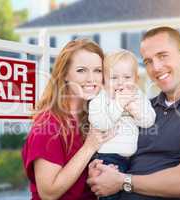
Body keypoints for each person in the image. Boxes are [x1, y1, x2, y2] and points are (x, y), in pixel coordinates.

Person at [87, 26, 180, 200]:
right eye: (148, 61)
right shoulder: (147, 107)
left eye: (163, 56)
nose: (156, 67)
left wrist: (122, 181)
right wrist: (98, 168)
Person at [22, 38, 114, 200]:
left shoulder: (93, 117)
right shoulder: (48, 124)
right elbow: (48, 193)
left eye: (98, 71)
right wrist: (89, 147)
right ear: (64, 74)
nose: (91, 79)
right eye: (81, 70)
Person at [88, 50, 156, 200]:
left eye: (127, 77)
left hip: (133, 159)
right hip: (108, 157)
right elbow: (100, 123)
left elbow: (149, 121)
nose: (120, 82)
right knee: (110, 194)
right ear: (104, 80)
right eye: (114, 77)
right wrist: (118, 105)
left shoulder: (137, 96)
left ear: (136, 79)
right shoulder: (100, 99)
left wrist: (135, 111)